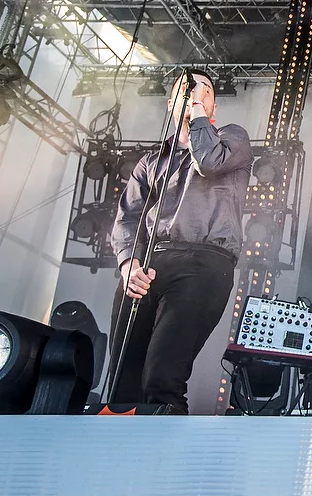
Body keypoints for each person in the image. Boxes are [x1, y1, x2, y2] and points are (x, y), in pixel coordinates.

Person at [108, 69, 253, 412]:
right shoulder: (151, 161)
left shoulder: (233, 138)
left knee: (161, 378)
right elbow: (128, 217)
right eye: (186, 90)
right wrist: (128, 266)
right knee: (121, 382)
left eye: (204, 91)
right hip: (150, 264)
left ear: (213, 107)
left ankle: (166, 441)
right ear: (170, 103)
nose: (195, 94)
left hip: (203, 264)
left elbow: (209, 163)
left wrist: (197, 112)